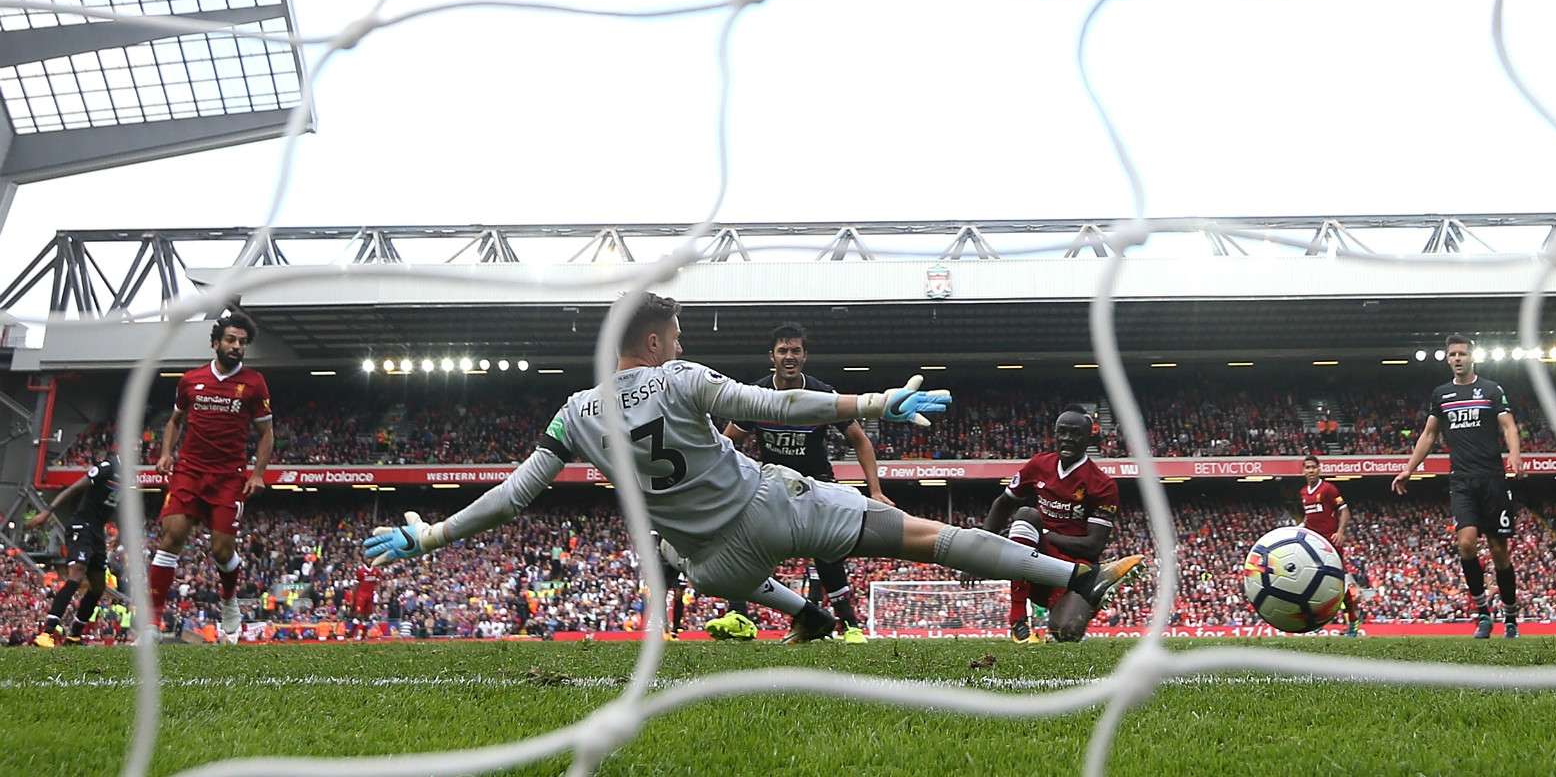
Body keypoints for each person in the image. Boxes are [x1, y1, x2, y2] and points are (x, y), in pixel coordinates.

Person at [362, 293, 1141, 645]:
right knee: (927, 537)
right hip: (775, 504)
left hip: (719, 563)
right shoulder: (682, 377)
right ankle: (1075, 579)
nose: (680, 337)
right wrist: (873, 405)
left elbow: (516, 496)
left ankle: (799, 612)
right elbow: (777, 408)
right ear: (656, 339)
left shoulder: (574, 412)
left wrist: (432, 538)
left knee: (686, 566)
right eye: (676, 329)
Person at [708, 322, 886, 643]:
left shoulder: (821, 394)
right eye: (783, 351)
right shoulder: (756, 395)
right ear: (772, 356)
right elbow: (727, 442)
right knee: (742, 542)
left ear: (805, 356)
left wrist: (875, 490)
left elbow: (859, 440)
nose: (789, 356)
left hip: (814, 483)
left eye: (795, 351)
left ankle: (849, 625)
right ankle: (738, 615)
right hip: (772, 486)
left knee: (827, 550)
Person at [148, 311, 275, 644]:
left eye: (242, 343)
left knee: (221, 551)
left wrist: (258, 473)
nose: (236, 346)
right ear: (215, 342)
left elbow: (266, 433)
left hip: (228, 476)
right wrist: (165, 454)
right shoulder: (191, 379)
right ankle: (150, 624)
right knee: (172, 535)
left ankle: (229, 602)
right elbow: (175, 421)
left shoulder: (254, 383)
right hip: (189, 469)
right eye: (231, 340)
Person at [1393, 333, 1524, 639]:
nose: (1457, 359)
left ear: (1472, 357)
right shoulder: (1442, 395)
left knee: (1498, 551)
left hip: (1492, 478)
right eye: (1453, 354)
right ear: (1448, 358)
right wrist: (1409, 469)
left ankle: (1511, 616)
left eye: (1462, 354)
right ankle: (1482, 614)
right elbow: (1428, 435)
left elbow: (1508, 425)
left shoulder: (1491, 390)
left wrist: (1515, 455)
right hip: (1461, 480)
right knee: (1465, 544)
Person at [981, 408, 1119, 643]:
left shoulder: (1102, 485)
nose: (1066, 438)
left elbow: (1093, 546)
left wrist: (1045, 535)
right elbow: (1003, 503)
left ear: (1088, 438)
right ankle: (1018, 617)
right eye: (1061, 432)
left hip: (1076, 568)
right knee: (1026, 514)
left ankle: (1093, 592)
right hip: (1038, 562)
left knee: (1066, 633)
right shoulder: (1039, 465)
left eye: (1075, 433)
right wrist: (977, 550)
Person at [24, 454, 121, 646]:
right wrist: (47, 511)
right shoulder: (108, 467)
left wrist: (118, 535)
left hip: (97, 532)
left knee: (98, 586)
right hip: (81, 525)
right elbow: (75, 488)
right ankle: (47, 632)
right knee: (77, 572)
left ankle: (75, 635)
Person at [1298, 454, 1362, 637]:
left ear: (1319, 469)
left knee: (1338, 585)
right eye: (1307, 467)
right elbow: (1309, 517)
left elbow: (1344, 510)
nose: (1310, 470)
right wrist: (1300, 529)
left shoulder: (1328, 489)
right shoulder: (1303, 493)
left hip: (1331, 545)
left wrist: (1340, 532)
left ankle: (1353, 621)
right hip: (1313, 546)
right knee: (1311, 583)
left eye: (1313, 467)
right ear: (1303, 471)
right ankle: (1318, 621)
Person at [349, 563, 379, 640]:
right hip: (361, 595)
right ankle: (351, 634)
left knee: (367, 616)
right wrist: (353, 598)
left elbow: (377, 584)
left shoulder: (376, 570)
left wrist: (377, 595)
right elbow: (356, 584)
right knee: (359, 615)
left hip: (370, 596)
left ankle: (363, 635)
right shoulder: (360, 570)